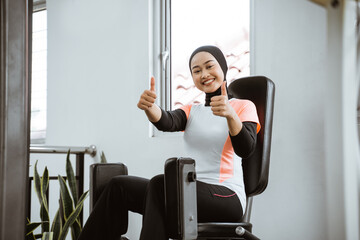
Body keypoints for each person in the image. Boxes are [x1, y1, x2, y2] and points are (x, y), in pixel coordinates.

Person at [78, 45, 260, 240]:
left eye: (209, 66)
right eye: (196, 71)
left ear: (223, 68)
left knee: (160, 184)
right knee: (118, 186)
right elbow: (167, 120)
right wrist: (151, 107)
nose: (204, 74)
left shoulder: (242, 106)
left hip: (227, 197)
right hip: (187, 191)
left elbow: (246, 148)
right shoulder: (193, 110)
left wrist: (230, 115)